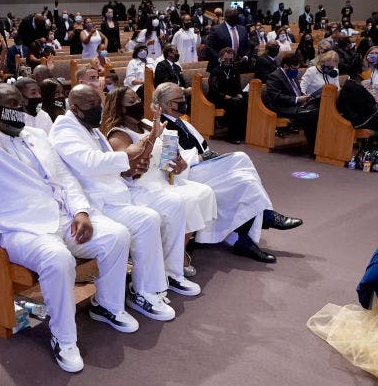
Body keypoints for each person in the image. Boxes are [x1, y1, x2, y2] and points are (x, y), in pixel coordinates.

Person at [0, 14, 137, 373]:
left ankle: (108, 306)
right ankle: (64, 339)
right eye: (12, 108)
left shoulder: (34, 135)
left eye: (21, 106)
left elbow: (65, 177)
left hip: (63, 219)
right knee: (58, 261)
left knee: (116, 235)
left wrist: (81, 211)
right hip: (17, 230)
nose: (20, 113)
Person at [51, 84, 197, 318]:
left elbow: (112, 164)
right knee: (147, 219)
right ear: (75, 108)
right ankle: (137, 293)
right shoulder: (64, 129)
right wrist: (129, 156)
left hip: (116, 193)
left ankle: (152, 287)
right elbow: (90, 162)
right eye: (91, 106)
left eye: (99, 104)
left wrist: (138, 154)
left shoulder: (88, 128)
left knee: (159, 212)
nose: (98, 110)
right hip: (95, 202)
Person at [154, 82, 302, 263]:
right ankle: (267, 215)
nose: (186, 102)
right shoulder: (161, 126)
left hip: (204, 169)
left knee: (246, 181)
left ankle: (244, 241)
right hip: (186, 175)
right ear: (169, 104)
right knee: (240, 157)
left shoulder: (182, 122)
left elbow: (203, 145)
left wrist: (209, 156)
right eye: (182, 99)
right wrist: (199, 158)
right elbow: (169, 163)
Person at [102, 86, 217, 275]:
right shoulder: (118, 134)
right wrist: (153, 137)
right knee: (185, 200)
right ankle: (172, 259)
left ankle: (179, 247)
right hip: (141, 185)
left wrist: (178, 163)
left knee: (203, 191)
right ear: (120, 108)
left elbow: (169, 153)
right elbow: (131, 168)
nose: (138, 104)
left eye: (138, 100)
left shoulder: (147, 123)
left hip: (163, 178)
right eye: (131, 102)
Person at [263, 52, 320, 150]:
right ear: (285, 66)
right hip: (281, 107)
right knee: (309, 114)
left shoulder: (292, 75)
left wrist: (303, 96)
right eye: (294, 68)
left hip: (295, 105)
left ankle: (319, 144)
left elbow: (295, 91)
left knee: (317, 110)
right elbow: (277, 97)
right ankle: (314, 148)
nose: (296, 71)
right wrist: (297, 99)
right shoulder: (275, 76)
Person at [207, 48, 248, 143]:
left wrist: (239, 94)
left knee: (244, 103)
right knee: (234, 106)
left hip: (231, 97)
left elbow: (238, 87)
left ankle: (242, 133)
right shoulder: (215, 71)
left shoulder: (234, 71)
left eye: (230, 60)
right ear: (221, 58)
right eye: (226, 59)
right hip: (218, 98)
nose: (228, 62)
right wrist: (226, 97)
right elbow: (213, 90)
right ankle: (231, 136)